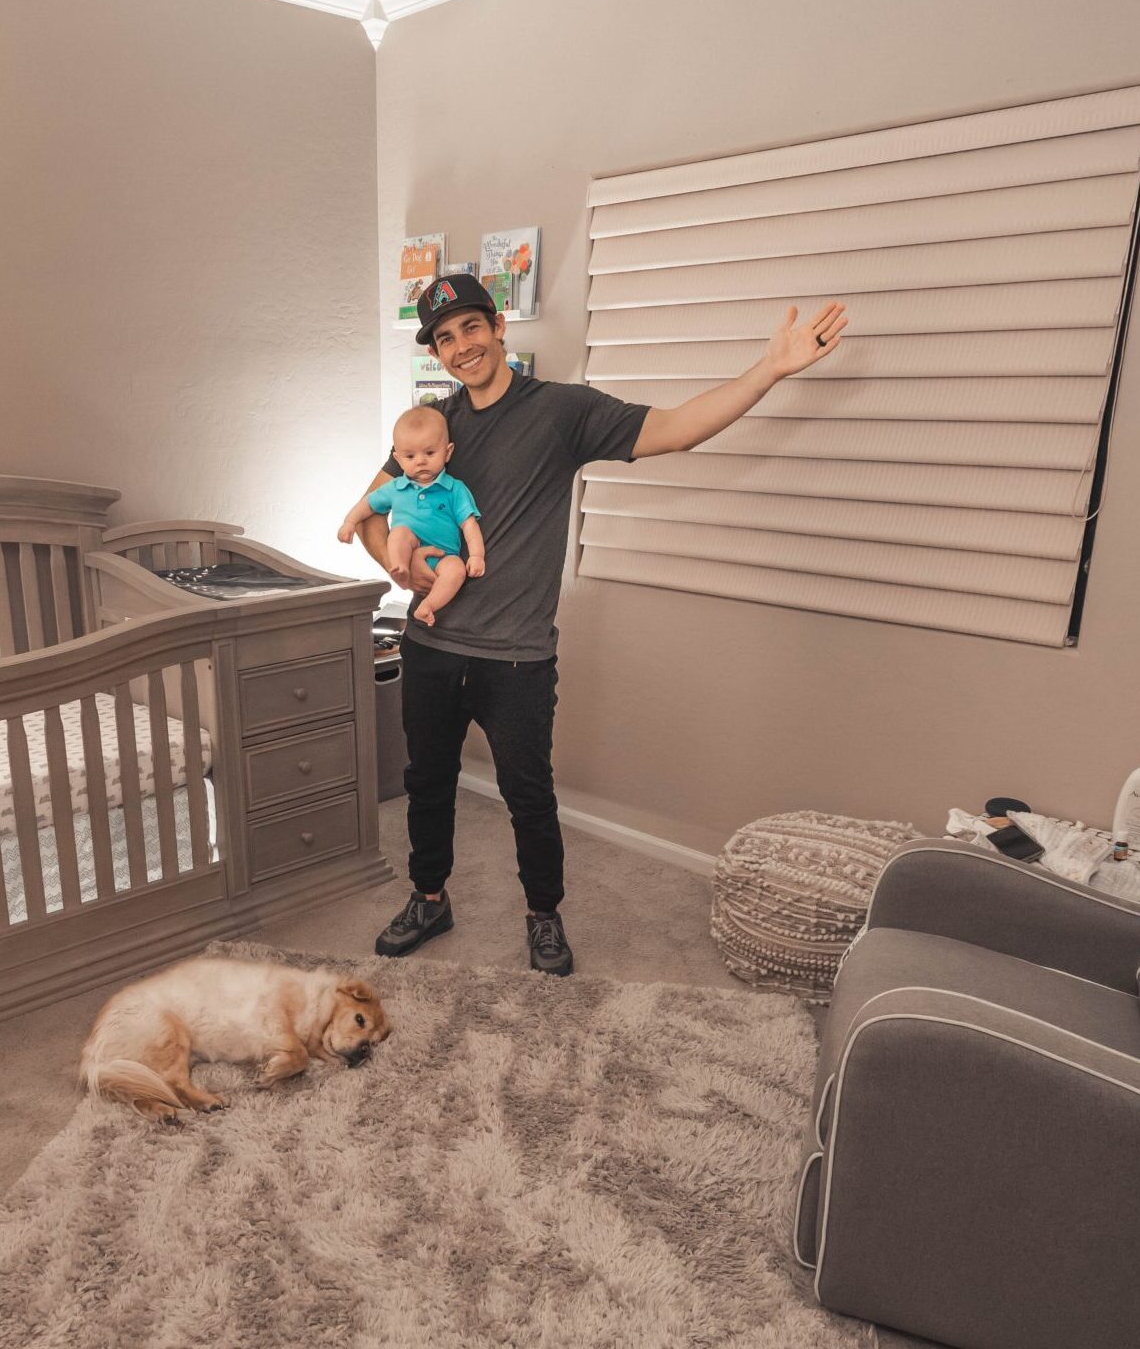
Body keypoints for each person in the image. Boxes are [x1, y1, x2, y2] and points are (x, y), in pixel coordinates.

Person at [358, 270, 848, 975]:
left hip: (517, 656)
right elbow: (370, 511)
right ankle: (429, 898)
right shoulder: (434, 429)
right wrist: (403, 570)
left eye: (470, 327)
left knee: (529, 794)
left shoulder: (562, 411)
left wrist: (770, 368)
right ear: (437, 354)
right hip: (432, 645)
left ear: (499, 328)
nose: (461, 345)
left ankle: (543, 914)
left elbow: (676, 430)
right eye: (444, 338)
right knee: (427, 782)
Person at [337, 406, 485, 627]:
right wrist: (349, 522)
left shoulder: (455, 489)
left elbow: (470, 525)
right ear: (398, 458)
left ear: (448, 452)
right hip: (410, 548)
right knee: (399, 533)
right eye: (410, 456)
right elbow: (367, 504)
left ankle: (428, 606)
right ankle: (400, 568)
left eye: (430, 453)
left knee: (456, 569)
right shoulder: (396, 488)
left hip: (446, 555)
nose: (420, 461)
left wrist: (476, 556)